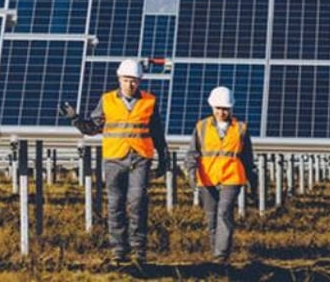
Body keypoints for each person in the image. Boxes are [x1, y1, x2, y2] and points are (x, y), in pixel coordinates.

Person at [59, 58, 167, 266]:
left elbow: (157, 132)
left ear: (140, 81)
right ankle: (119, 250)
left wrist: (163, 159)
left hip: (140, 158)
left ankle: (138, 250)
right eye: (126, 80)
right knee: (115, 204)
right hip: (114, 158)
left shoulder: (150, 101)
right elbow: (93, 128)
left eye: (134, 80)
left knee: (137, 203)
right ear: (119, 79)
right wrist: (75, 119)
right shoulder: (107, 100)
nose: (130, 84)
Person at [183, 86, 256, 265]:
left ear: (231, 109)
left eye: (225, 108)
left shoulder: (240, 128)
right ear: (212, 107)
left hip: (232, 177)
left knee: (224, 213)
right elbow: (192, 154)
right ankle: (218, 255)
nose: (221, 112)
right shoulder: (201, 127)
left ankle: (220, 256)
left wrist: (253, 183)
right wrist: (192, 177)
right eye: (218, 108)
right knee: (212, 217)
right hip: (207, 177)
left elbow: (247, 158)